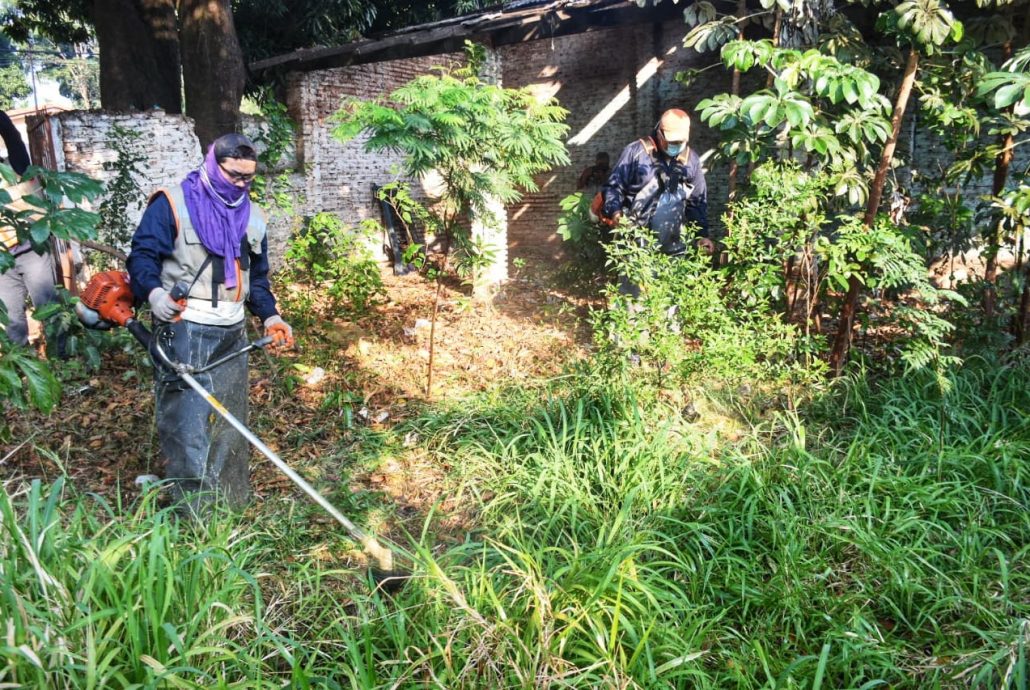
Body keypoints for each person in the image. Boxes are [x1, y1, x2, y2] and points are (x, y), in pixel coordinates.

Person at [127, 133, 294, 513]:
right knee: (187, 424)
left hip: (232, 330)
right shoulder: (172, 203)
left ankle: (230, 509)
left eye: (248, 178)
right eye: (234, 175)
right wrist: (154, 295)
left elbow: (257, 278)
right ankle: (195, 517)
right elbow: (142, 257)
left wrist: (270, 315)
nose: (241, 184)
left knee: (230, 422)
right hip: (185, 327)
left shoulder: (253, 215)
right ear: (214, 165)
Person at [601, 108, 713, 258]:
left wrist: (702, 236)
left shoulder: (691, 160)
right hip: (635, 246)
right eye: (671, 142)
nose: (676, 145)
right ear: (660, 134)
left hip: (675, 249)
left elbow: (697, 203)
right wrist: (616, 213)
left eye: (680, 142)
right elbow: (613, 187)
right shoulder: (636, 152)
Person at [0, 110, 62, 351]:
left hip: (31, 250)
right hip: (3, 261)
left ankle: (62, 358)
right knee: (12, 320)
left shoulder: (19, 166)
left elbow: (11, 135)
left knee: (48, 307)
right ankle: (22, 362)